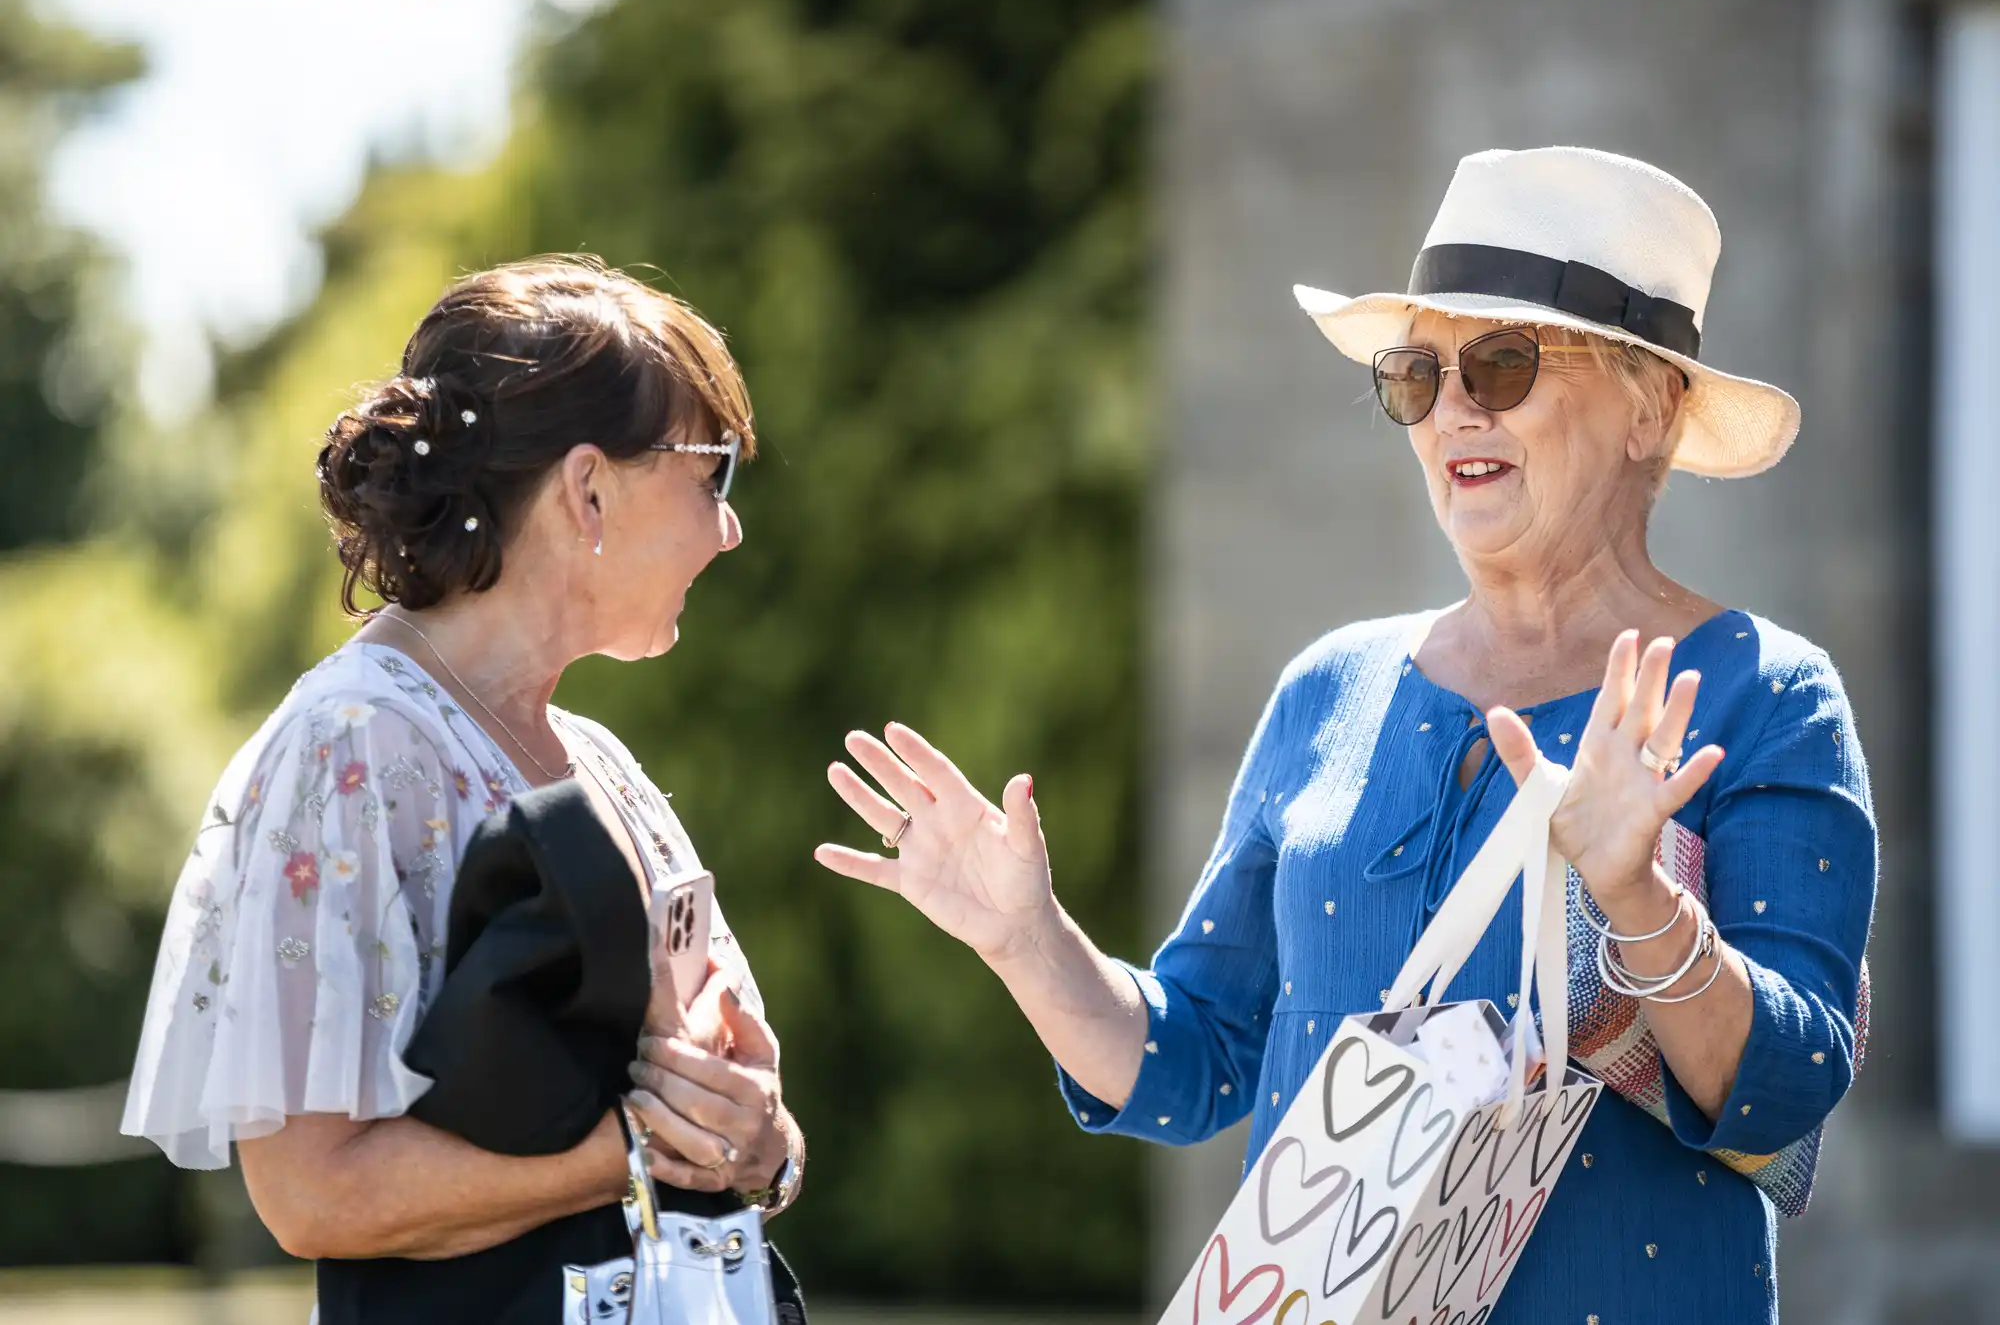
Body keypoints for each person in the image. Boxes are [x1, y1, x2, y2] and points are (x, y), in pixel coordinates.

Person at [814, 148, 1875, 1323]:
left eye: (1503, 362)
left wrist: (1635, 898)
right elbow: (1195, 1063)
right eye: (1416, 375)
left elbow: (1786, 1092)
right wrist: (1027, 940)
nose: (1452, 409)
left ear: (1647, 407)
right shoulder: (1330, 686)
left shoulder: (1764, 694)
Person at [122, 255, 803, 1316]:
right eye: (709, 475)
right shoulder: (347, 750)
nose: (729, 527)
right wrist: (624, 1150)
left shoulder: (599, 762)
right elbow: (310, 1191)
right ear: (587, 489)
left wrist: (763, 1142)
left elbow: (729, 1125)